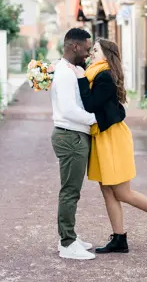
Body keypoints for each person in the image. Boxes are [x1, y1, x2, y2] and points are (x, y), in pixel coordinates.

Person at [70, 38, 147, 254]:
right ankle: (119, 238)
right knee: (107, 189)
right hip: (102, 136)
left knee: (121, 191)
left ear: (107, 54)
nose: (92, 53)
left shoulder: (105, 75)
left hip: (113, 138)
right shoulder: (97, 72)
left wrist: (81, 78)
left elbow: (90, 103)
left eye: (96, 50)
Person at [50, 28, 97, 260]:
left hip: (72, 135)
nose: (88, 54)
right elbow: (68, 109)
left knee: (72, 191)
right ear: (75, 46)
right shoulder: (66, 73)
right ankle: (67, 243)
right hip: (71, 137)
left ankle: (69, 236)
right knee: (70, 191)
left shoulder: (70, 69)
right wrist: (94, 120)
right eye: (87, 49)